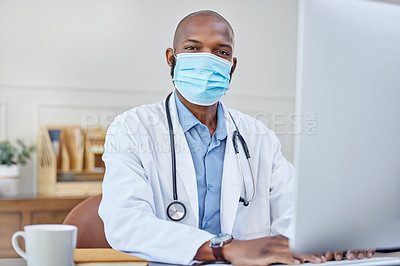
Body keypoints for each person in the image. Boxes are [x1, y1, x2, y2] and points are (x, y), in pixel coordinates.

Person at [99, 10, 374, 265]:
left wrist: (330, 240)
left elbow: (293, 215)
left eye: (220, 51)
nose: (207, 59)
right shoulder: (132, 129)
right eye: (193, 48)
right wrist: (223, 248)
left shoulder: (259, 136)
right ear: (172, 58)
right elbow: (125, 223)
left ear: (232, 66)